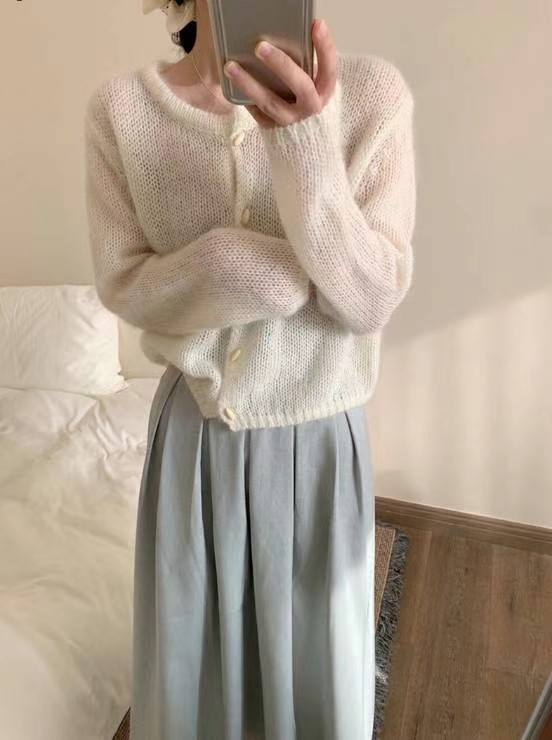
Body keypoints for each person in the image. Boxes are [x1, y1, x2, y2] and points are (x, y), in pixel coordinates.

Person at [84, 0, 416, 737]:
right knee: (195, 676)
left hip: (321, 440)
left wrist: (306, 142)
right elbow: (124, 284)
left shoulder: (373, 98)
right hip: (196, 443)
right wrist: (230, 266)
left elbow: (370, 298)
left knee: (317, 673)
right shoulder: (122, 111)